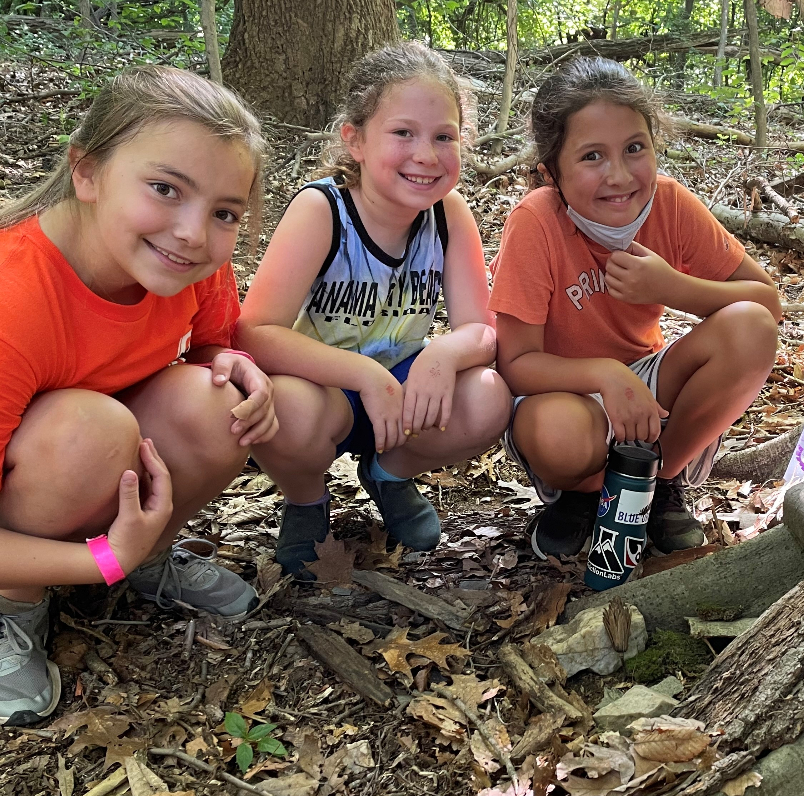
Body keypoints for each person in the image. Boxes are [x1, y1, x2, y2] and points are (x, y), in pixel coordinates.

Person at [0, 65, 279, 726]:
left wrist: (234, 364)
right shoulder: (15, 302)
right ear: (87, 172)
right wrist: (103, 558)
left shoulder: (189, 265)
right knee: (88, 431)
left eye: (224, 213)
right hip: (50, 474)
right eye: (165, 189)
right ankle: (14, 602)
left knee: (219, 401)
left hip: (97, 482)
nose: (192, 232)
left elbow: (209, 348)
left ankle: (148, 557)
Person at [490, 57, 782, 559]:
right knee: (558, 433)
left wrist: (674, 288)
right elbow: (515, 365)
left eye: (634, 148)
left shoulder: (669, 204)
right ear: (551, 172)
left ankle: (657, 481)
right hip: (560, 392)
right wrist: (606, 375)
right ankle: (584, 496)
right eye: (592, 156)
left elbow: (767, 303)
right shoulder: (536, 223)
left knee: (750, 327)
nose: (620, 175)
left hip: (649, 386)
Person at [237, 42, 510, 577]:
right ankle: (306, 499)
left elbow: (480, 328)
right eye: (403, 132)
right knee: (284, 409)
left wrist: (443, 356)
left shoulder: (449, 214)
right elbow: (255, 331)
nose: (425, 155)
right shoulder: (323, 210)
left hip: (404, 394)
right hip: (324, 390)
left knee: (487, 396)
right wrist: (363, 375)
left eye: (444, 136)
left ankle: (389, 474)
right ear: (355, 139)